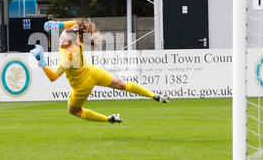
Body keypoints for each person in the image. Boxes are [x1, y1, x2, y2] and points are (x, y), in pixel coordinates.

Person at [30, 20, 170, 124]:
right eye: (60, 37)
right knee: (121, 84)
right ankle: (154, 95)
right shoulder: (76, 40)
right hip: (93, 72)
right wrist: (61, 24)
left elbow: (53, 77)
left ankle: (108, 119)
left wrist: (42, 62)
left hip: (81, 86)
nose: (60, 40)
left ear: (71, 41)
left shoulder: (69, 57)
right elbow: (79, 23)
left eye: (63, 39)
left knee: (74, 111)